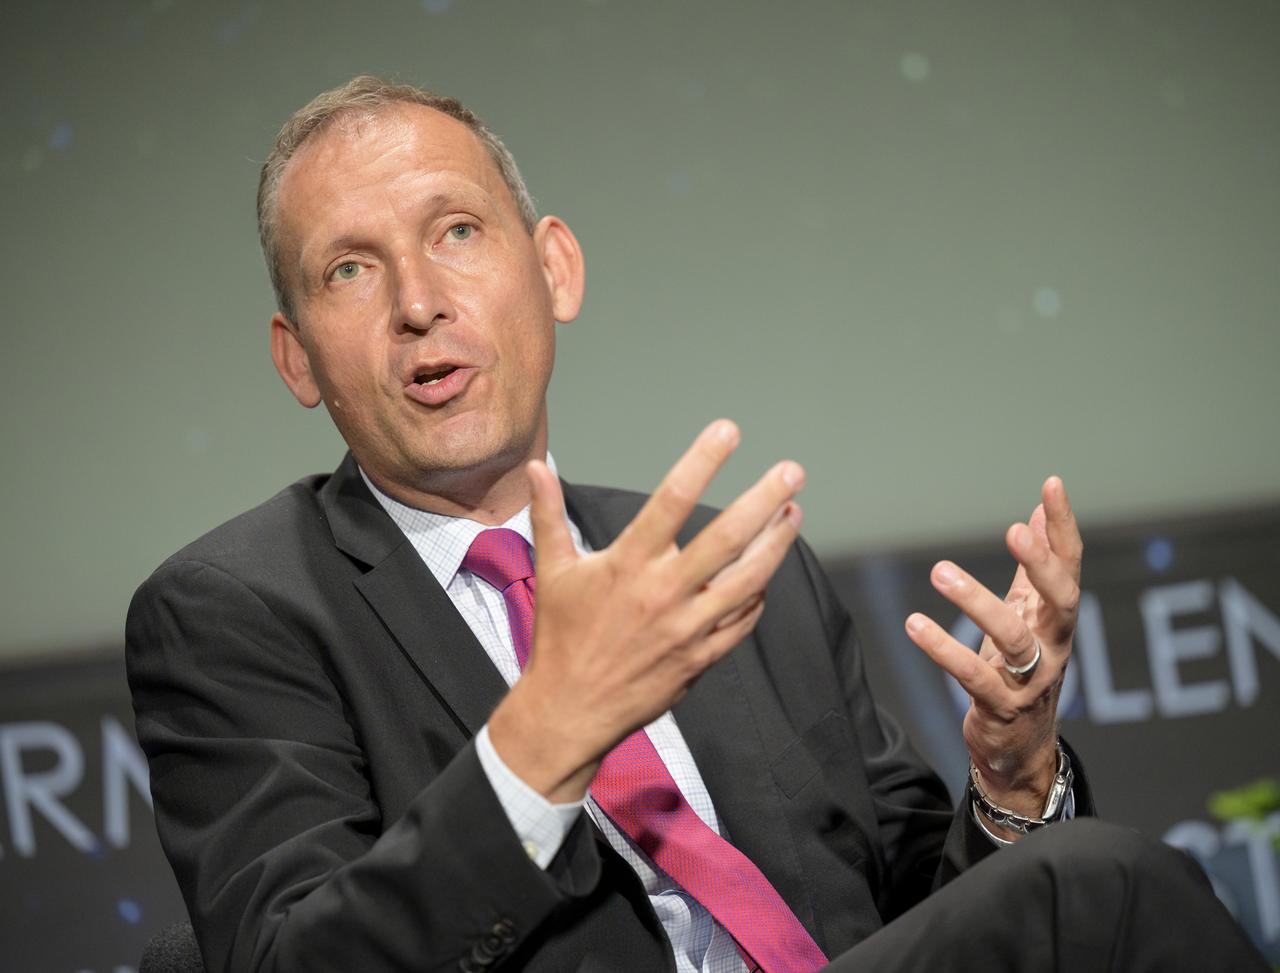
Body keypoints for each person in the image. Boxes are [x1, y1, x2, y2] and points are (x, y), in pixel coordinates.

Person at [127, 75, 1266, 973]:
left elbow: (936, 914)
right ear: (296, 359)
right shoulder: (235, 610)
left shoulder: (717, 566)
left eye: (458, 232)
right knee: (1101, 888)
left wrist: (1013, 787)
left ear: (554, 268)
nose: (418, 302)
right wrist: (543, 740)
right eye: (348, 270)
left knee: (1067, 874)